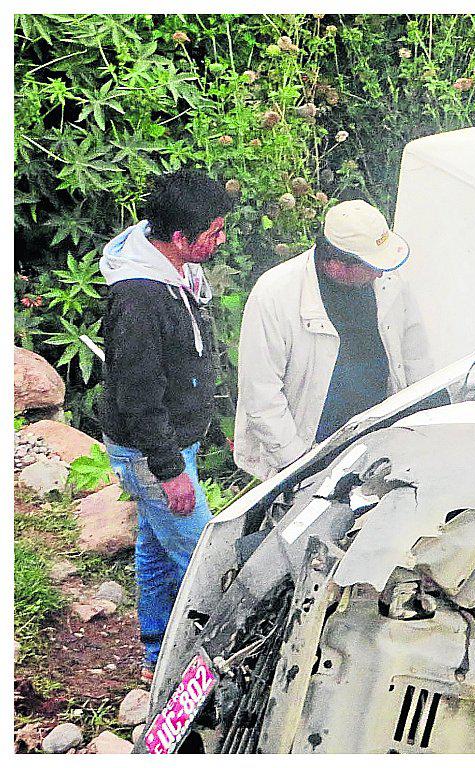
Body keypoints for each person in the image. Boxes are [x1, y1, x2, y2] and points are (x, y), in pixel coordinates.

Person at [98, 167, 233, 681]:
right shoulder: (138, 300)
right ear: (179, 238)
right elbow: (139, 393)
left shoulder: (176, 272)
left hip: (176, 443)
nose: (220, 240)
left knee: (155, 553)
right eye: (213, 232)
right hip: (152, 453)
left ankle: (159, 657)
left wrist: (211, 429)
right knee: (206, 563)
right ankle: (215, 668)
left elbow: (187, 368)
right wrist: (169, 471)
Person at [233, 199, 436, 480]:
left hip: (378, 443)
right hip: (307, 452)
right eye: (371, 265)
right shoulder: (274, 296)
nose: (380, 272)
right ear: (338, 263)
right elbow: (261, 394)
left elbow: (415, 354)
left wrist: (427, 419)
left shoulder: (388, 280)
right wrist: (299, 465)